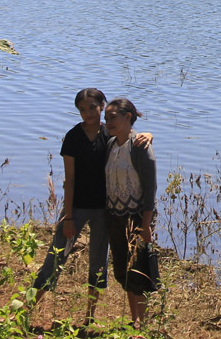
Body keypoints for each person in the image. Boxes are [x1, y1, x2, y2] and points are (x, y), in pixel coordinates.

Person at [31, 88, 152, 328]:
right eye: (82, 109)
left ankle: (88, 318)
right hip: (77, 208)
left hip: (104, 210)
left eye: (93, 108)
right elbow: (70, 180)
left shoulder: (111, 132)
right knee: (55, 258)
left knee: (98, 264)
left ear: (102, 106)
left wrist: (148, 135)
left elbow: (133, 138)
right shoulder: (73, 137)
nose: (88, 113)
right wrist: (68, 217)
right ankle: (26, 310)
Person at [104, 98, 157, 330]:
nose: (108, 122)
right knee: (123, 271)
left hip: (136, 217)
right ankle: (134, 320)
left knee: (139, 272)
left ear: (128, 117)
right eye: (106, 118)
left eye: (112, 117)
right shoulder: (110, 143)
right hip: (114, 216)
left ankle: (141, 324)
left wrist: (146, 225)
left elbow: (150, 188)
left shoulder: (140, 146)